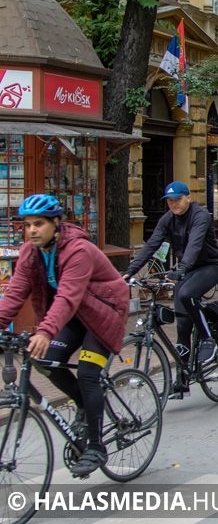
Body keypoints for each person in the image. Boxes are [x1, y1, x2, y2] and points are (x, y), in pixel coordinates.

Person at [0, 194, 129, 476]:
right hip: (74, 315)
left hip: (102, 313)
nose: (31, 230)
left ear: (56, 223)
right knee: (44, 361)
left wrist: (45, 331)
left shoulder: (78, 250)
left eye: (39, 224)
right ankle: (84, 403)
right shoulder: (30, 252)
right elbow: (15, 292)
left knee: (87, 373)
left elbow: (68, 295)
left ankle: (96, 447)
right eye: (27, 224)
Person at [124, 181, 218, 398]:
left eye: (178, 199)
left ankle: (208, 338)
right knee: (182, 323)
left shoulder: (201, 216)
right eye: (170, 201)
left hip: (210, 266)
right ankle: (182, 382)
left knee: (186, 294)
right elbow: (151, 245)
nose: (174, 204)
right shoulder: (167, 219)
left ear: (188, 197)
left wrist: (182, 268)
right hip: (186, 270)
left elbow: (195, 244)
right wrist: (129, 272)